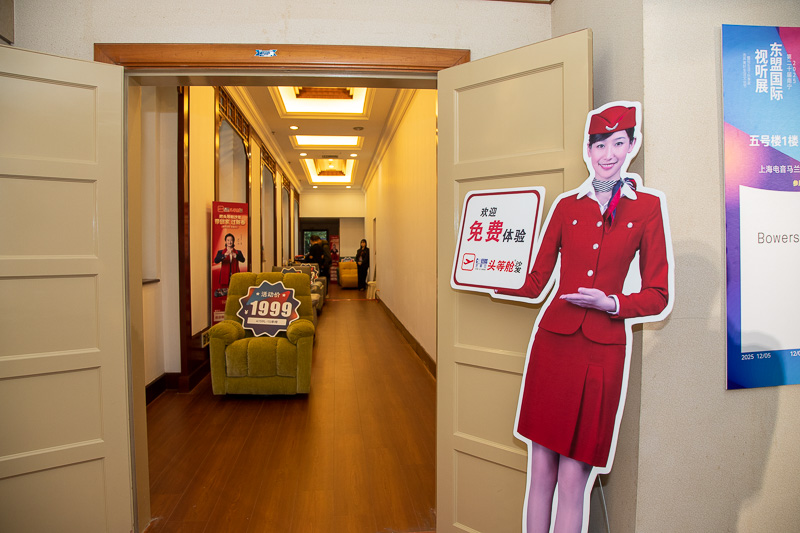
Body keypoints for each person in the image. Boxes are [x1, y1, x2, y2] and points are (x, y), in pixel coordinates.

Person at [496, 103, 672, 533]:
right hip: (554, 345)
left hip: (602, 353)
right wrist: (489, 276)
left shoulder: (646, 208)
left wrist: (611, 303)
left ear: (632, 145)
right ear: (588, 150)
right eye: (599, 145)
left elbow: (658, 294)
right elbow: (536, 281)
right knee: (541, 469)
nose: (608, 154)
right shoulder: (565, 206)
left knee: (574, 477)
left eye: (618, 143)